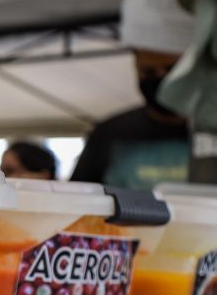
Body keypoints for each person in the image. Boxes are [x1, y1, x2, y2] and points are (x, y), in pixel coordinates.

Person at [71, 49, 189, 190]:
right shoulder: (109, 132)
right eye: (149, 72)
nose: (160, 77)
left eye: (170, 69)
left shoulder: (211, 128)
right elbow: (79, 193)